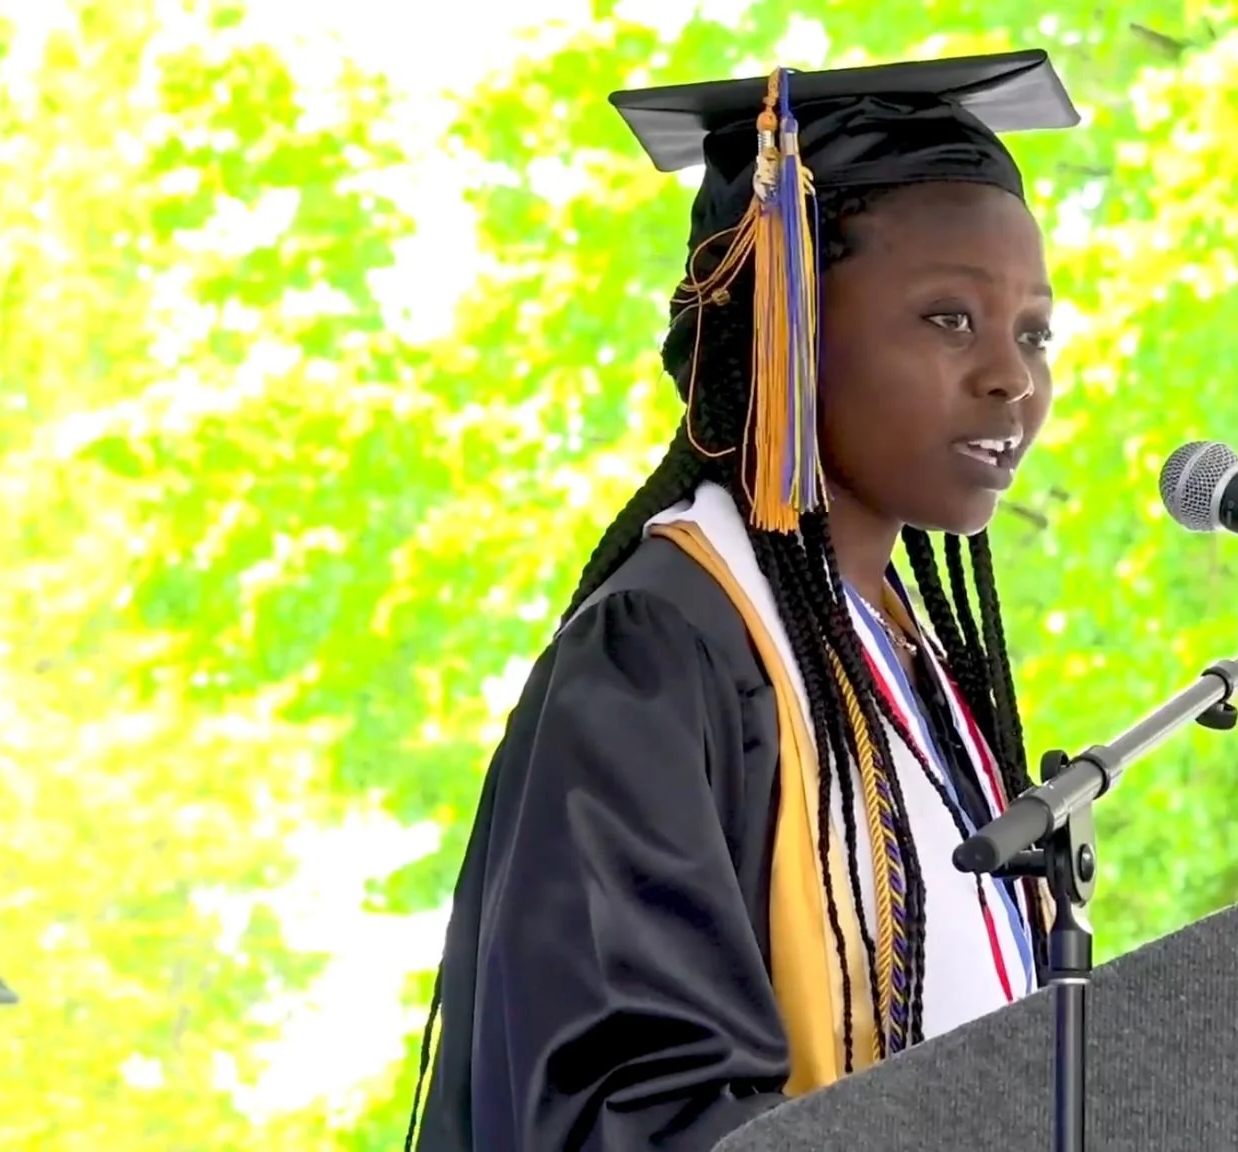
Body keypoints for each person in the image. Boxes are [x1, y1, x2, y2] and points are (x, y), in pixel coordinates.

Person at [404, 50, 1083, 1152]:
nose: (1011, 377)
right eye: (948, 319)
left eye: (1033, 332)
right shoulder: (664, 652)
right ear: (788, 330)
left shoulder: (908, 672)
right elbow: (630, 1108)